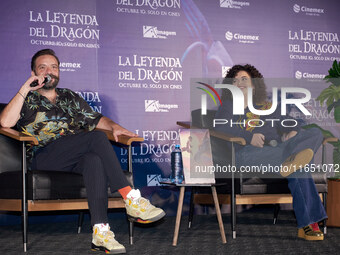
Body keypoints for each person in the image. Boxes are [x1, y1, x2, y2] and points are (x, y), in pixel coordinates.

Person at [0, 49, 165, 254]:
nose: (49, 71)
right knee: (95, 137)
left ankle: (101, 233)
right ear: (34, 72)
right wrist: (25, 88)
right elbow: (5, 122)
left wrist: (114, 126)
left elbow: (95, 119)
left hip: (74, 156)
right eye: (42, 68)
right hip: (44, 157)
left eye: (54, 67)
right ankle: (130, 198)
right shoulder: (27, 99)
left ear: (59, 71)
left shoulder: (70, 97)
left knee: (94, 160)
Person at [214, 64, 327, 241]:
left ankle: (295, 158)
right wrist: (248, 136)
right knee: (299, 165)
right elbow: (221, 127)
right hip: (249, 153)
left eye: (244, 79)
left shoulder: (266, 106)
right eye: (235, 80)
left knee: (315, 132)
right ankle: (308, 224)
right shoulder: (228, 107)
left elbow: (286, 121)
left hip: (278, 151)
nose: (239, 83)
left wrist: (294, 130)